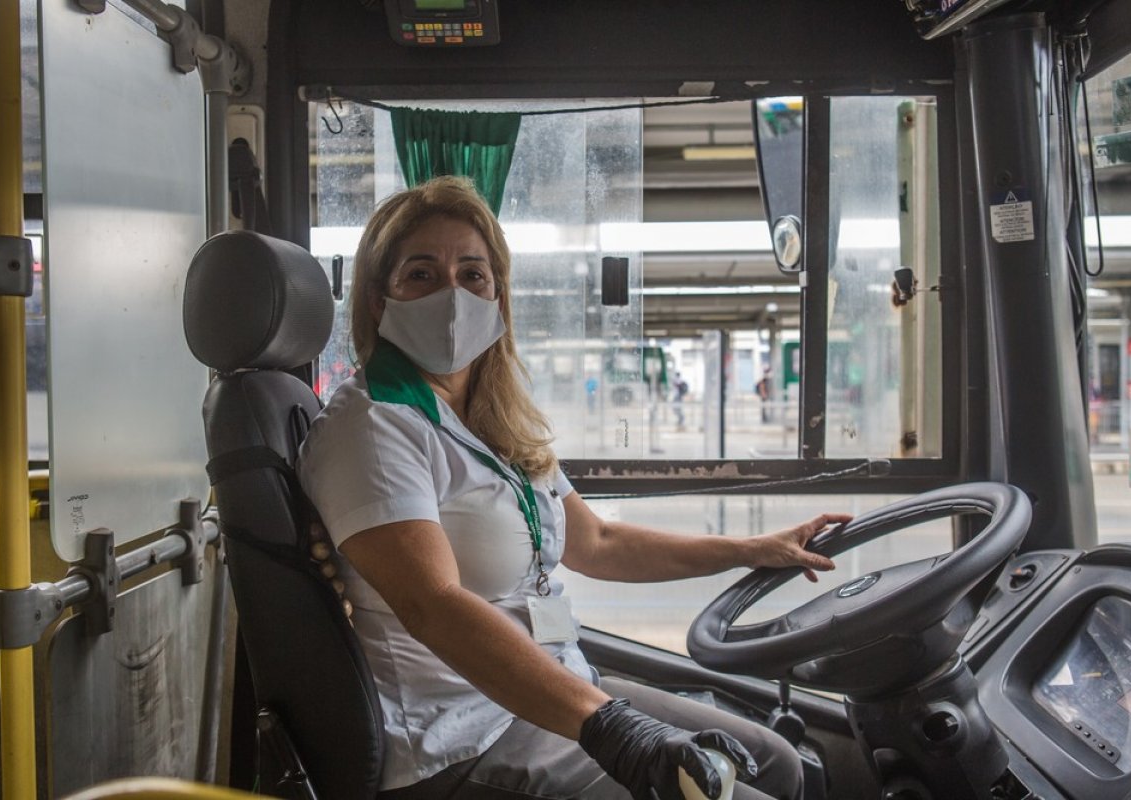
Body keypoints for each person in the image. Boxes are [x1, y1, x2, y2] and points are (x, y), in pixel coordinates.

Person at [298, 176, 850, 800]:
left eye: (473, 275)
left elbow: (599, 543)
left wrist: (751, 548)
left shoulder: (490, 420)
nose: (452, 294)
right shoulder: (372, 425)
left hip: (557, 691)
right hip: (461, 738)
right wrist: (612, 727)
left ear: (498, 295)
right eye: (422, 274)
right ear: (379, 301)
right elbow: (434, 604)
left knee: (774, 761)